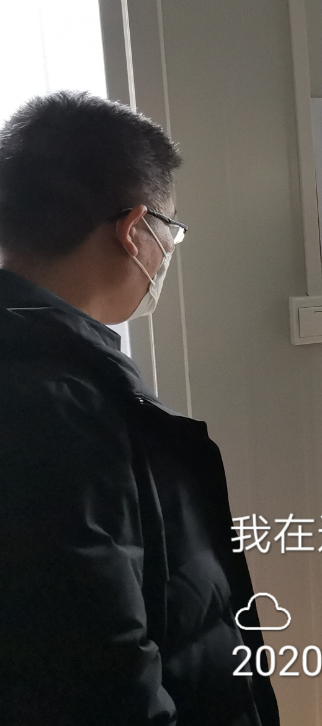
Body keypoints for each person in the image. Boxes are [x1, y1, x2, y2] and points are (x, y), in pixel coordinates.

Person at [0, 92, 278, 725]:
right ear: (134, 231)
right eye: (168, 230)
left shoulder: (47, 371)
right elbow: (102, 678)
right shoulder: (60, 411)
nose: (166, 248)